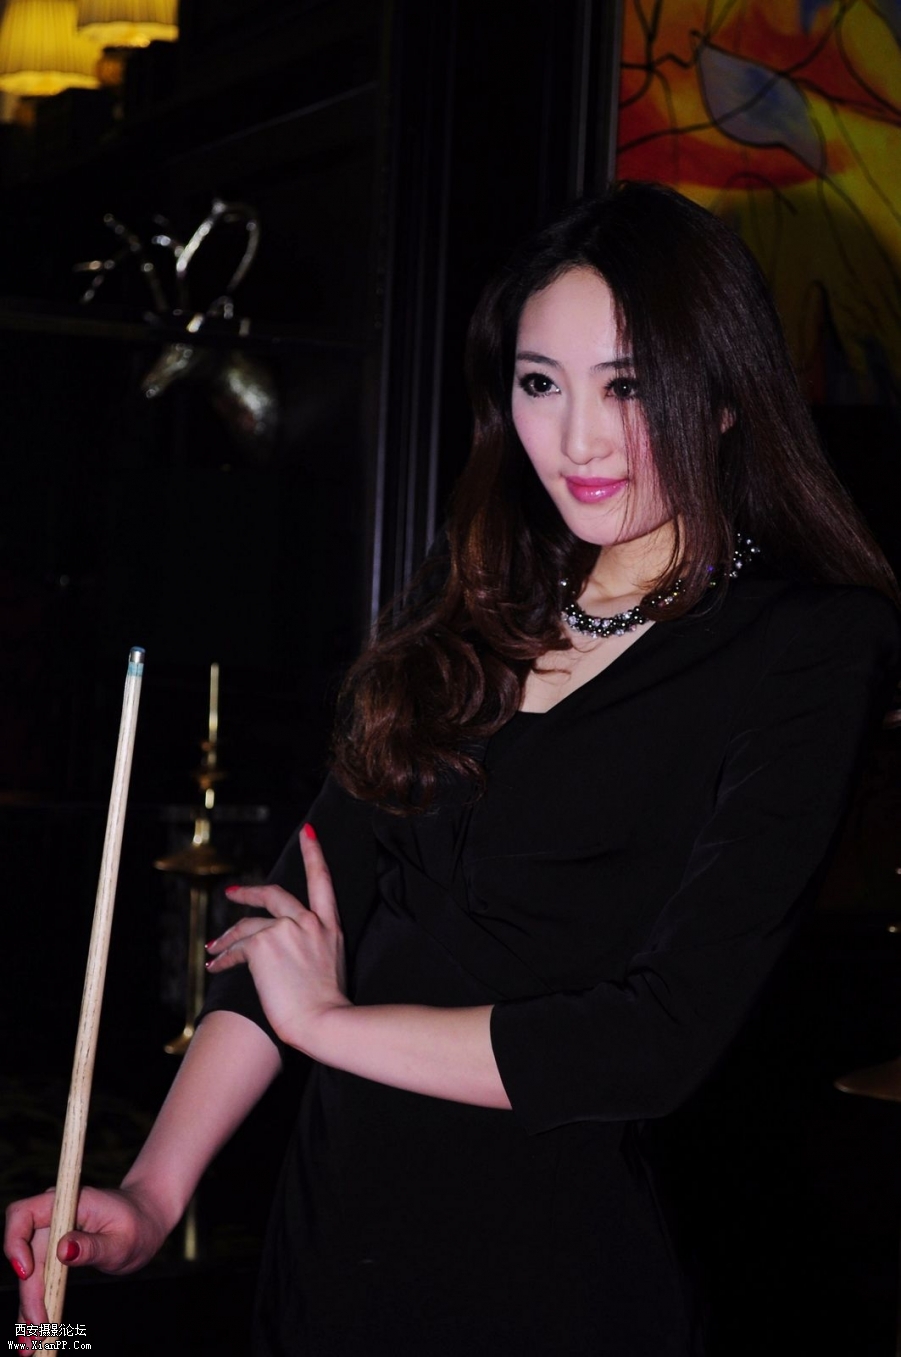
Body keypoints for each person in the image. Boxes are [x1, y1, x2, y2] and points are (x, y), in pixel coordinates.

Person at [6, 182, 900, 1356]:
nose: (576, 440)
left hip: (569, 1277)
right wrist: (152, 1191)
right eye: (540, 383)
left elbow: (655, 1043)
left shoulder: (805, 645)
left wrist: (328, 1023)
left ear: (726, 395)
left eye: (626, 385)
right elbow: (297, 916)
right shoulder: (475, 601)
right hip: (330, 1259)